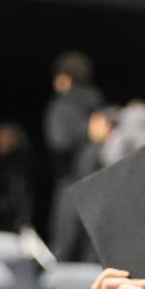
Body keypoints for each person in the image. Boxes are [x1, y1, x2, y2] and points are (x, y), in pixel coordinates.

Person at [44, 50, 105, 260]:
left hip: (70, 182)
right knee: (94, 251)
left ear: (64, 78)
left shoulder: (62, 106)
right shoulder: (99, 108)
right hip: (97, 183)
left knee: (63, 246)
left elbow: (58, 141)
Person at [0, 122, 37, 233]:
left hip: (16, 222)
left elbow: (21, 195)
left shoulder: (17, 164)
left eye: (2, 138)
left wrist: (22, 220)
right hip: (4, 219)